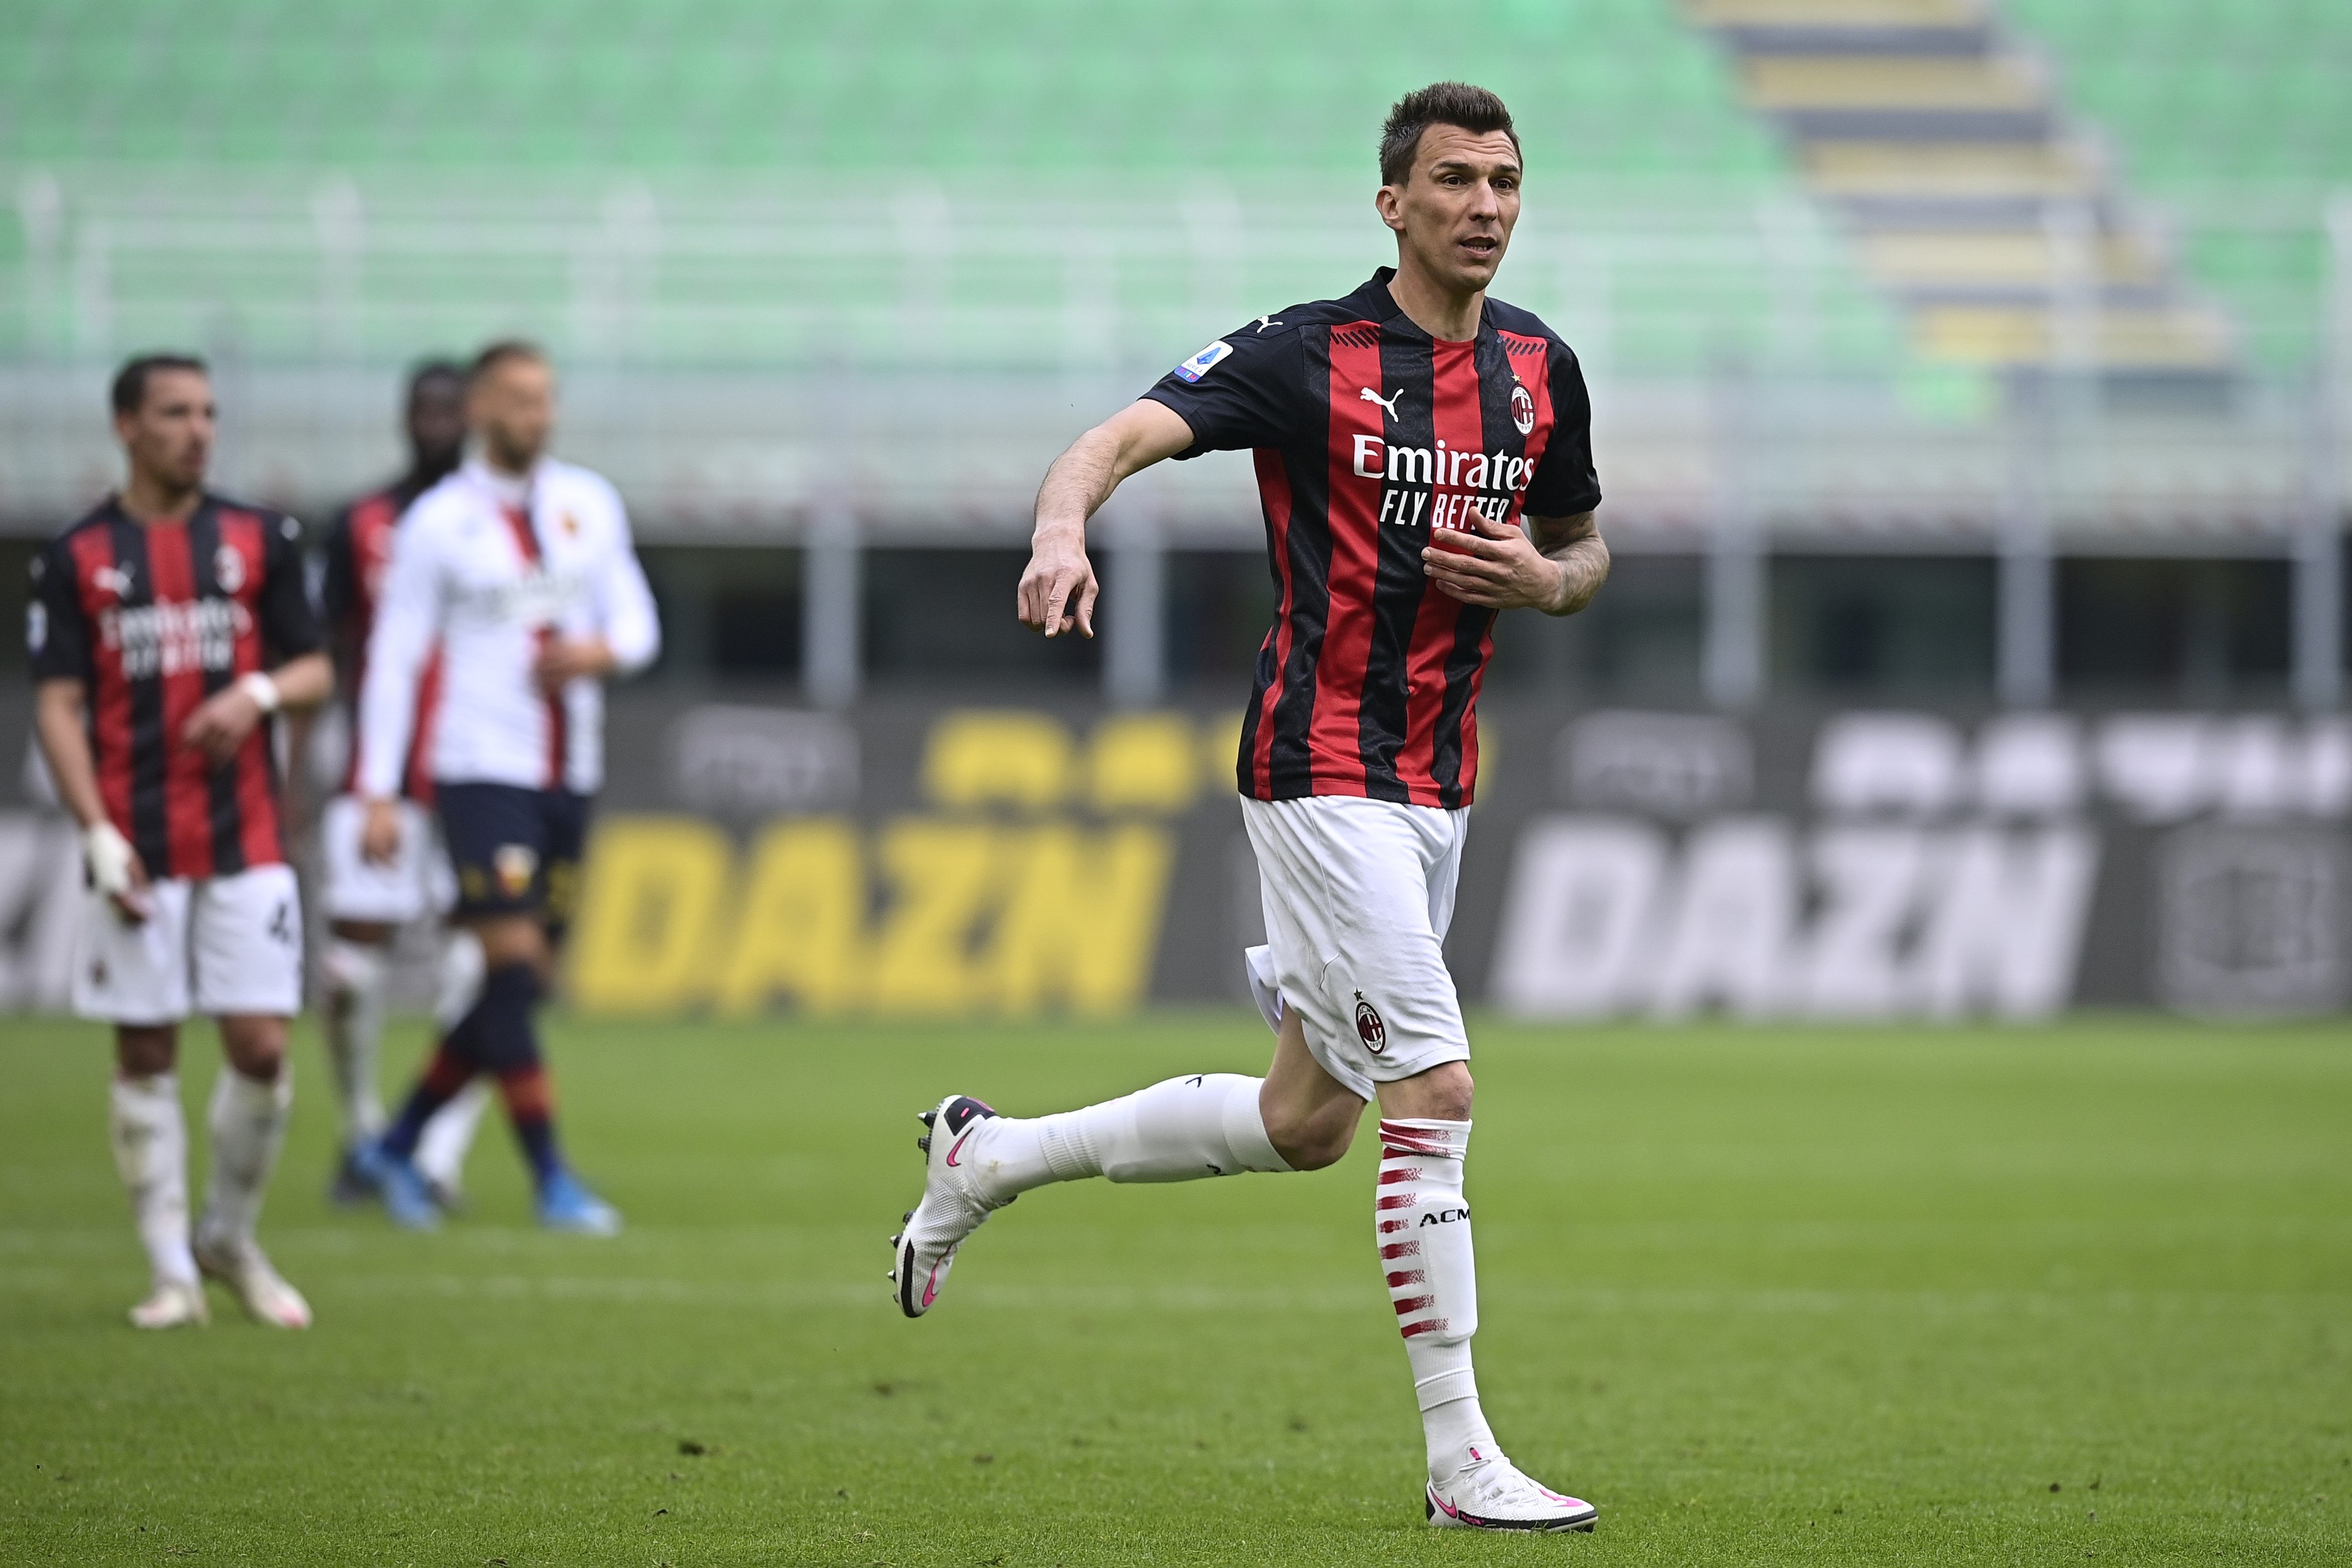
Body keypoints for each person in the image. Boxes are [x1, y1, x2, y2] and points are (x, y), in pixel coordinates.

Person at [891, 83, 1611, 1532]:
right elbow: (1117, 436)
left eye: (1507, 182)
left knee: (1306, 1120)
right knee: (1440, 1092)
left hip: (1434, 784)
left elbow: (1583, 546)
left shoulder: (1541, 367)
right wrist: (1058, 526)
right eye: (1457, 180)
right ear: (1393, 203)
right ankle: (1461, 1455)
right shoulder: (1308, 351)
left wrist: (1543, 581)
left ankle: (989, 1154)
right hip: (1316, 765)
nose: (1486, 205)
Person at [28, 353, 334, 1330]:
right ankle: (170, 1270)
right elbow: (59, 706)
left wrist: (256, 693)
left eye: (207, 412)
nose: (198, 429)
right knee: (147, 1048)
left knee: (261, 1048)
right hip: (141, 841)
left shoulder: (260, 538)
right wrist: (98, 834)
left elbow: (318, 668)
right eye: (174, 413)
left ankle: (227, 1235)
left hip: (245, 836)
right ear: (127, 426)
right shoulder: (78, 556)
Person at [350, 340, 660, 1234]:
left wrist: (599, 652)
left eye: (547, 398)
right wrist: (377, 785)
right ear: (481, 409)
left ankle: (394, 1143)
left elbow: (638, 623)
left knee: (522, 986)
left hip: (571, 773)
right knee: (512, 964)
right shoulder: (439, 523)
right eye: (521, 400)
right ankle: (551, 1177)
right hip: (481, 768)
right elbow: (396, 658)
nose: (539, 415)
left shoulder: (587, 504)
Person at [313, 360, 497, 1209]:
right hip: (378, 777)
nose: (434, 421)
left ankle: (435, 1154)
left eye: (449, 409)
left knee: (485, 969)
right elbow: (331, 649)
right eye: (421, 407)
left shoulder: (503, 523)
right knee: (350, 970)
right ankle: (361, 1131)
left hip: (475, 772)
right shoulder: (358, 523)